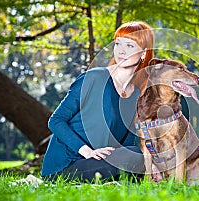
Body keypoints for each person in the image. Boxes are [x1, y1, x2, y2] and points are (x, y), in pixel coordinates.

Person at [41, 21, 154, 182]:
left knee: (137, 154)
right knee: (136, 159)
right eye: (118, 44)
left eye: (130, 46)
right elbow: (55, 121)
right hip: (68, 164)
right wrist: (87, 152)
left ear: (143, 53)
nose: (121, 51)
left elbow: (127, 143)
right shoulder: (94, 78)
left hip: (102, 163)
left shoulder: (136, 95)